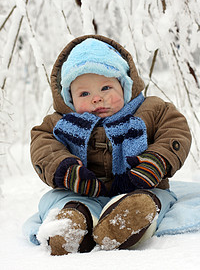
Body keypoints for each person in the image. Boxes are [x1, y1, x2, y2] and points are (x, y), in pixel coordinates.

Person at [23, 35, 191, 255]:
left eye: (105, 88)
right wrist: (67, 171)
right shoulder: (60, 123)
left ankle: (126, 222)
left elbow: (175, 131)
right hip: (82, 190)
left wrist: (155, 163)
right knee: (56, 201)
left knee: (156, 199)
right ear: (69, 98)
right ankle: (73, 224)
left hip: (141, 184)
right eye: (84, 93)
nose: (97, 98)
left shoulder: (152, 110)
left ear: (124, 85)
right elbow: (43, 146)